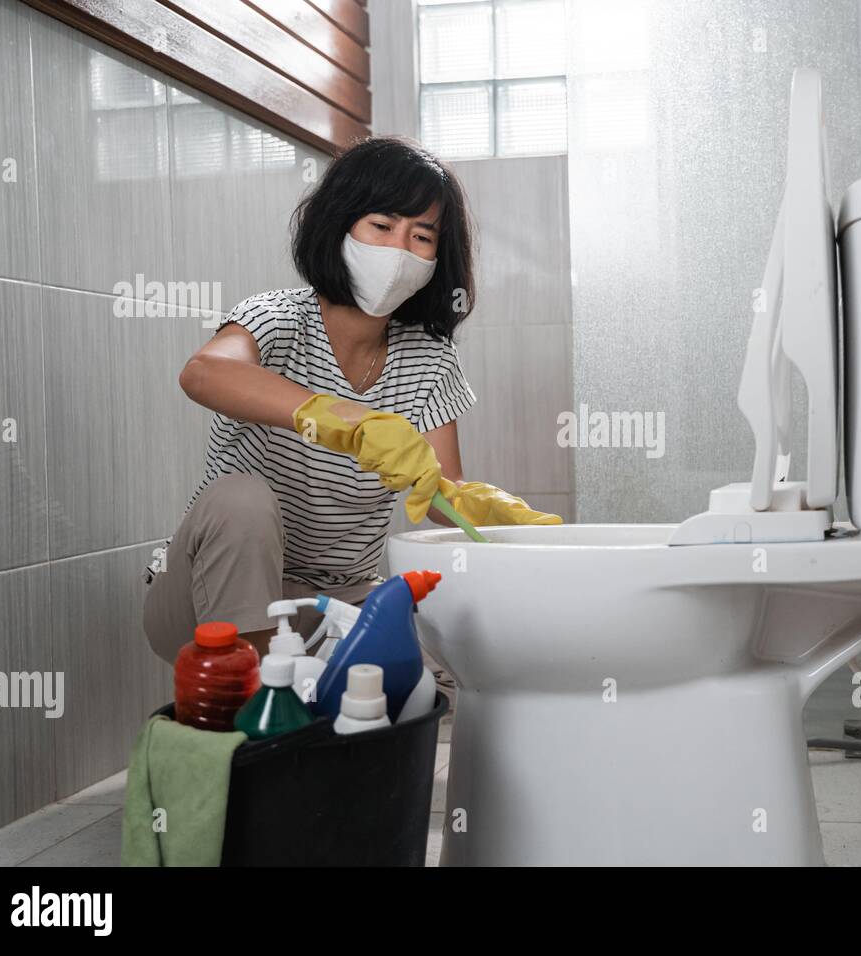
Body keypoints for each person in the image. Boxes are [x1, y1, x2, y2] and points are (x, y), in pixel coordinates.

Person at [143, 136, 558, 665]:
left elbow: (437, 493)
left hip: (336, 598)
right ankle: (259, 705)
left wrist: (492, 512)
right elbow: (203, 373)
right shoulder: (277, 319)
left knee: (441, 673)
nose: (398, 249)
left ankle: (301, 699)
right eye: (381, 226)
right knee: (240, 497)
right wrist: (339, 417)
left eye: (421, 235)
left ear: (439, 254)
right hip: (204, 598)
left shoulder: (429, 360)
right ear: (340, 225)